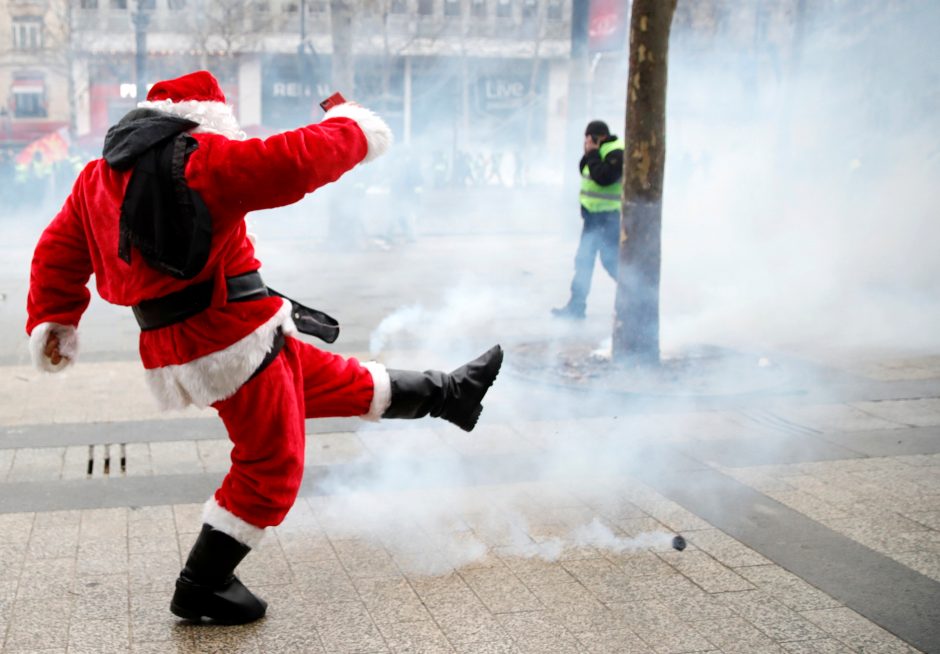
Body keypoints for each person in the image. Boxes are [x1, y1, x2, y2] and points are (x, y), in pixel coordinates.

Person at [25, 70, 502, 625]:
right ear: (206, 117)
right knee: (271, 464)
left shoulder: (96, 176)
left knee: (335, 380)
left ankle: (452, 395)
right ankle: (202, 585)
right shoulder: (201, 157)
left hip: (208, 336)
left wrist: (55, 319)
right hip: (230, 340)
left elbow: (58, 247)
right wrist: (352, 126)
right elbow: (292, 161)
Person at [552, 120, 624, 320]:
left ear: (599, 137)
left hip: (609, 219)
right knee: (583, 261)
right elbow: (585, 168)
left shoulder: (616, 152)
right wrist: (589, 153)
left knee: (611, 261)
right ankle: (576, 307)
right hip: (593, 220)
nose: (587, 142)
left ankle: (634, 297)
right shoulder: (598, 152)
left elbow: (604, 177)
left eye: (589, 138)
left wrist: (593, 153)